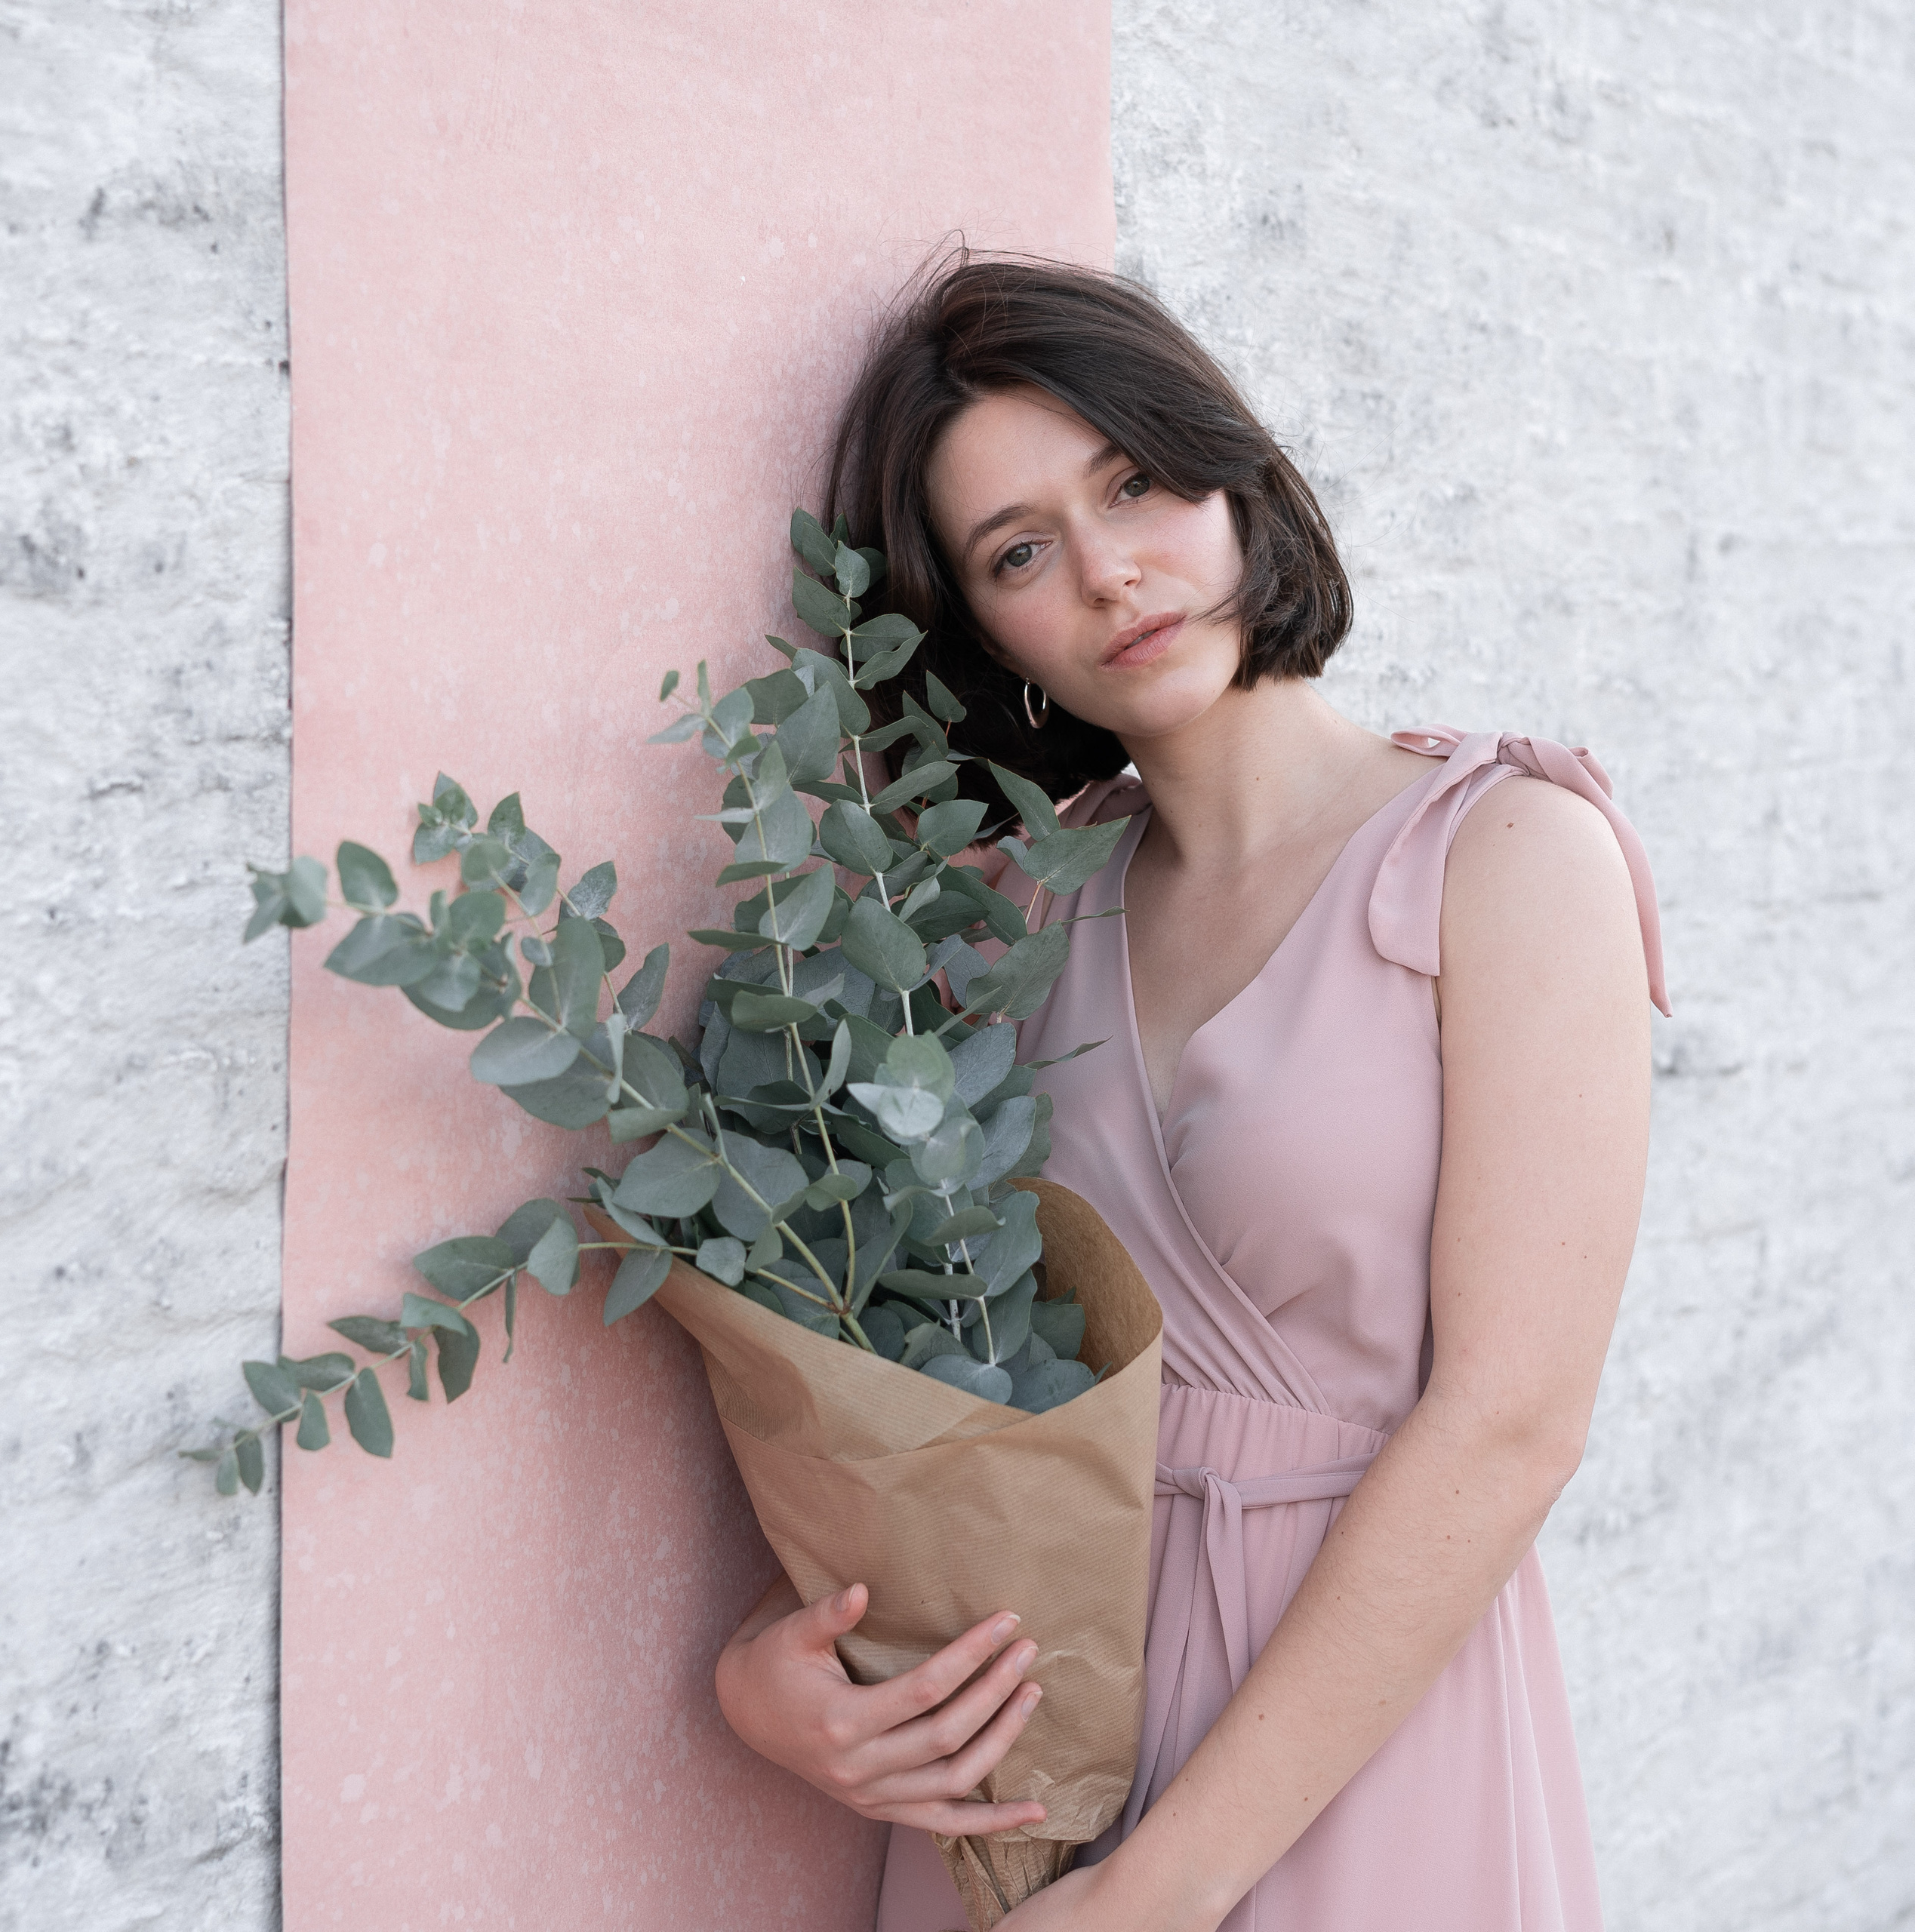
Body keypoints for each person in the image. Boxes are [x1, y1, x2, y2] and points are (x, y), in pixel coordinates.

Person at [713, 258, 1668, 1931]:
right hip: (1036, 1746)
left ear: (1231, 477)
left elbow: (1512, 1419)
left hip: (1352, 1738)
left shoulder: (1508, 856)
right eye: (1019, 550)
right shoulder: (996, 919)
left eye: (1132, 483)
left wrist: (1157, 1891)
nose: (1105, 571)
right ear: (976, 623)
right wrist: (765, 1677)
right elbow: (916, 1371)